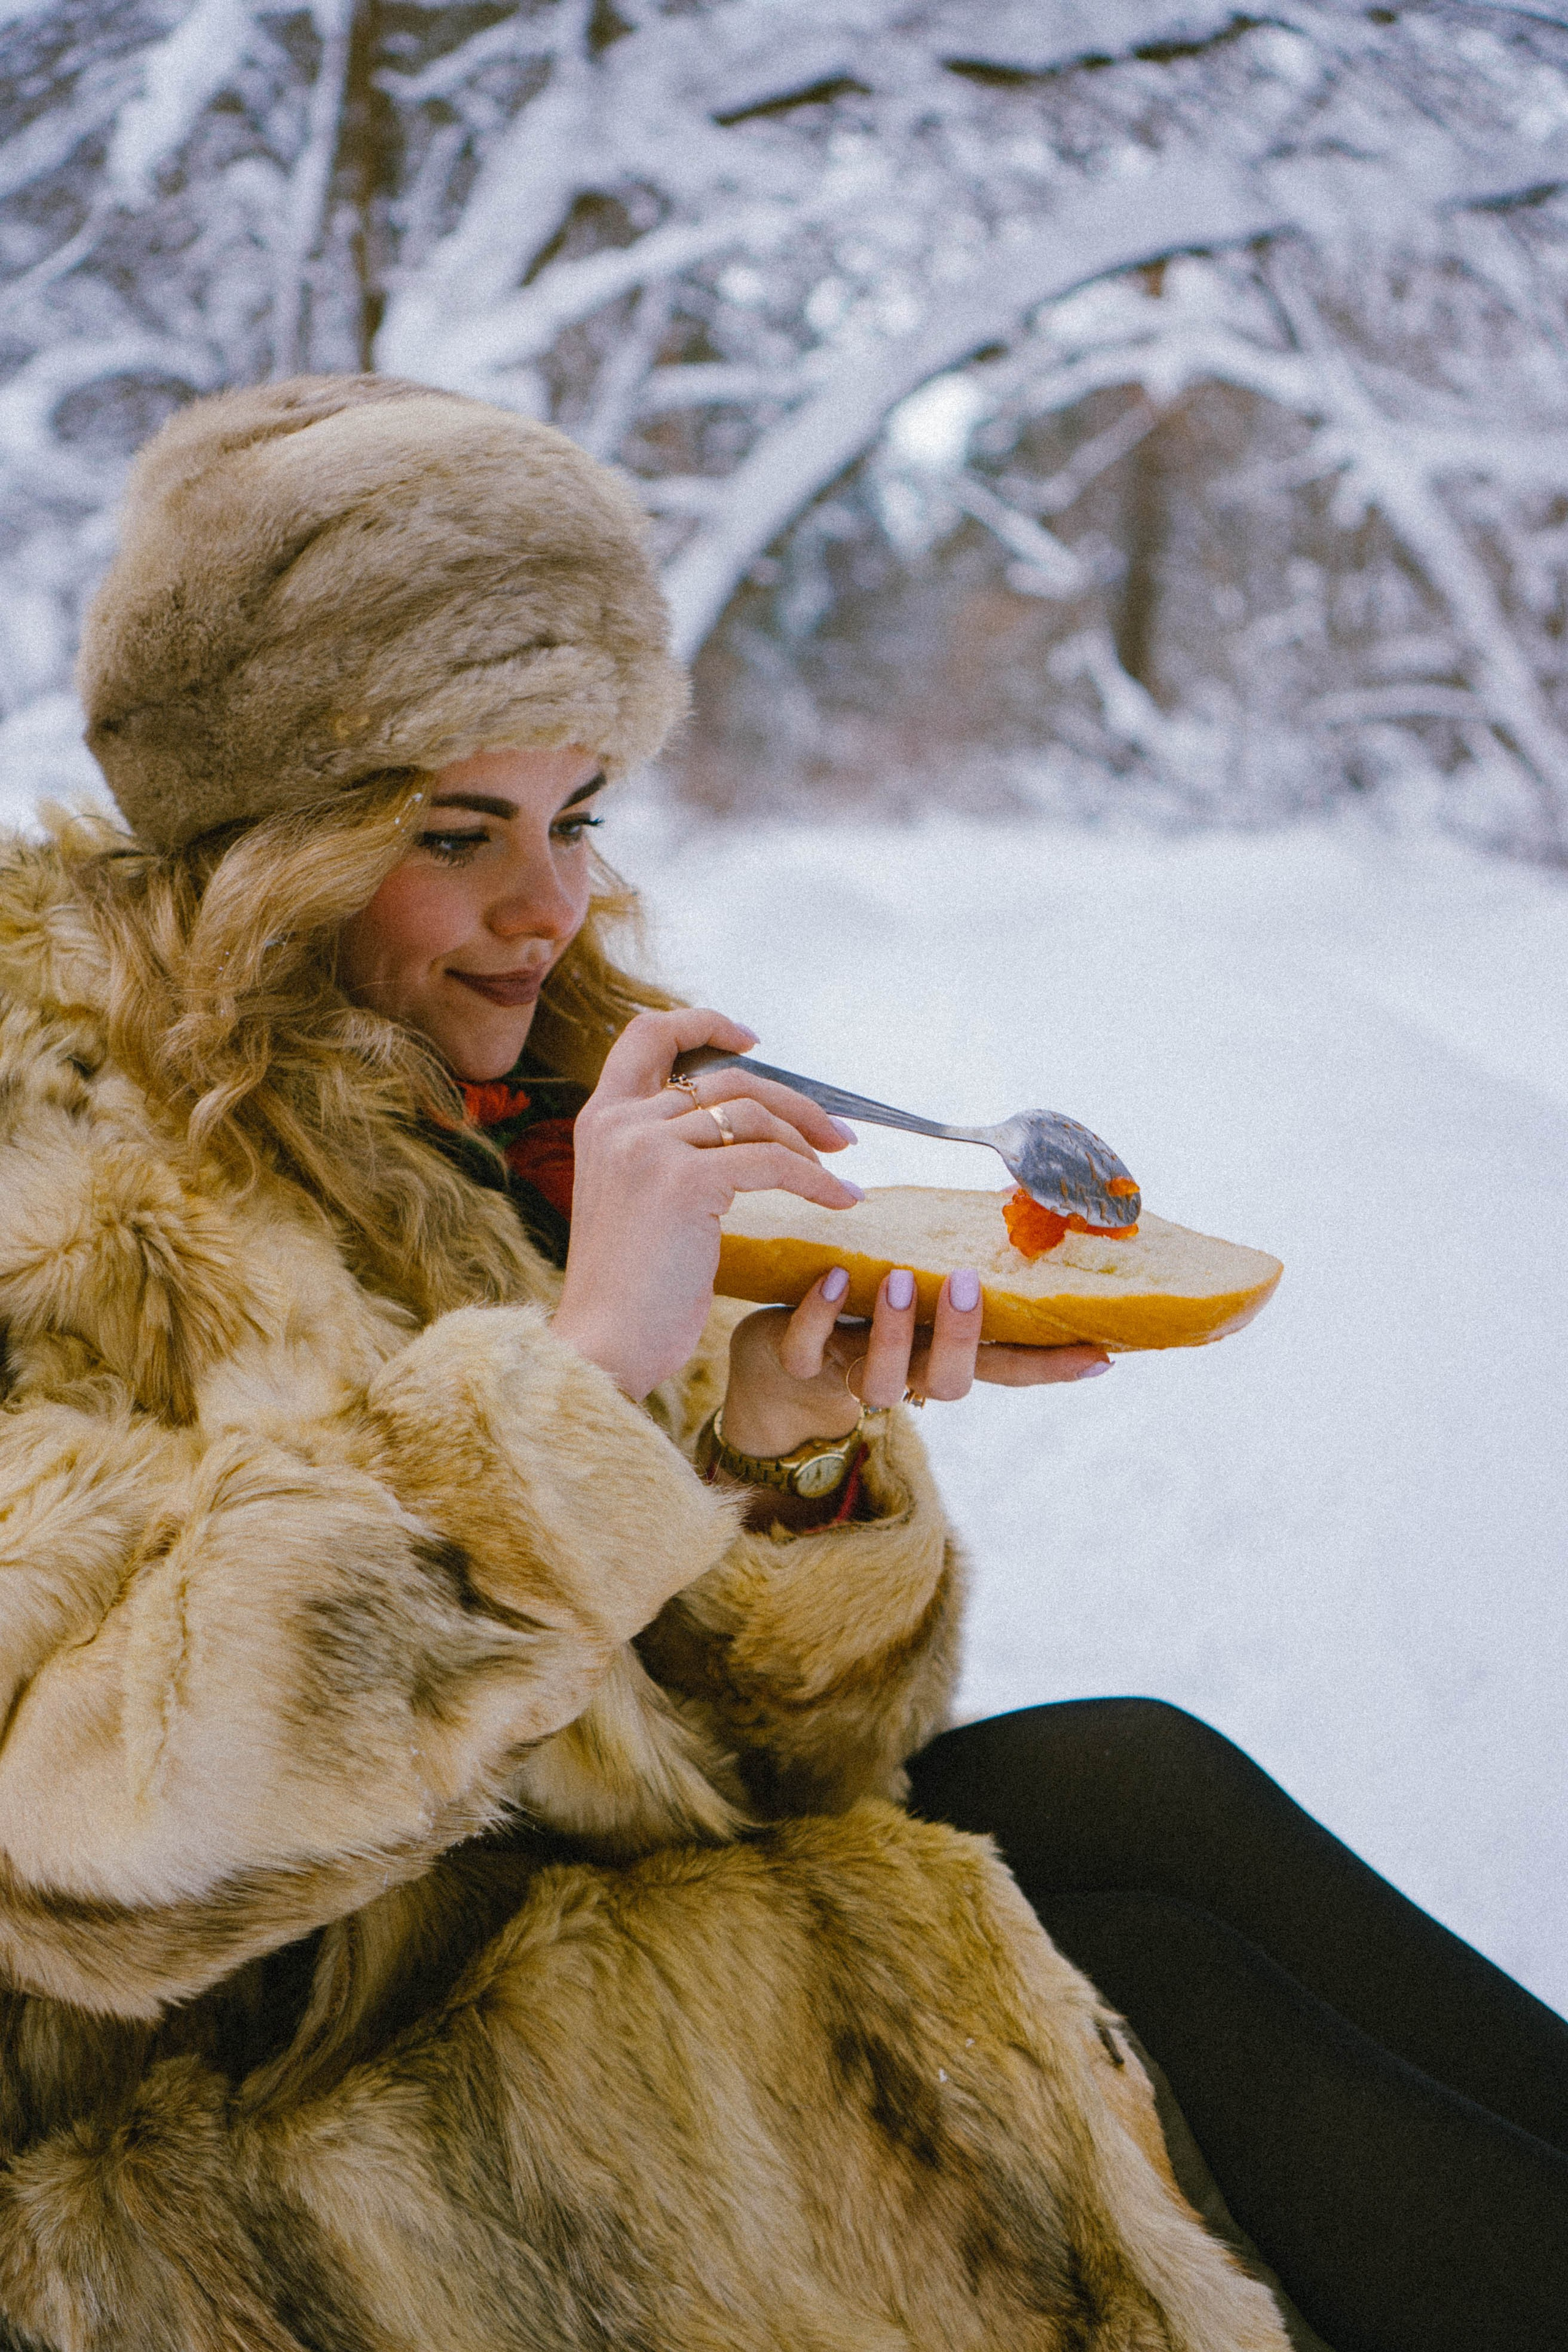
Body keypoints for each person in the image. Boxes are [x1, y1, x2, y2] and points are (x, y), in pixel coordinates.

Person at [0, 374, 1547, 2352]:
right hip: (241, 2107)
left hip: (518, 1933)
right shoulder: (64, 1156)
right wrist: (584, 1381)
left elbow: (744, 1768)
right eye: (455, 830)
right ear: (264, 832)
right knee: (1068, 2013)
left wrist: (753, 1451)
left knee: (1125, 1788)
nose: (546, 910)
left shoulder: (504, 1105)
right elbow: (85, 1844)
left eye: (572, 816)